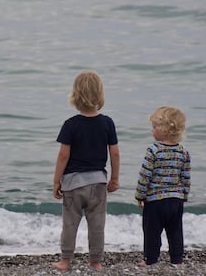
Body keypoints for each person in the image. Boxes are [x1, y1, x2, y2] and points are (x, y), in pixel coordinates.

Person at [52, 71, 120, 271]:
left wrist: (57, 181)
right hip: (98, 182)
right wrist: (114, 178)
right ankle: (96, 262)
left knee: (70, 223)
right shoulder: (107, 123)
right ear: (100, 95)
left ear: (75, 95)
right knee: (97, 224)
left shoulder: (70, 125)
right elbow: (114, 153)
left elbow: (63, 156)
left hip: (73, 184)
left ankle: (65, 261)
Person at [135, 106, 191, 266]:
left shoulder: (153, 150)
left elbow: (145, 175)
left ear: (163, 130)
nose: (152, 130)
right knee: (175, 231)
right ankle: (177, 259)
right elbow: (185, 176)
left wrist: (140, 195)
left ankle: (150, 259)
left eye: (154, 127)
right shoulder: (183, 152)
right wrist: (184, 195)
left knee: (152, 231)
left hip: (155, 201)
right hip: (175, 200)